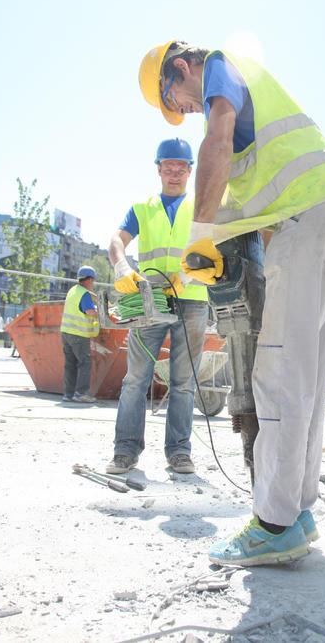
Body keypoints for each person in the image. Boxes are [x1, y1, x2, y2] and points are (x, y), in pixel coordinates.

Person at [139, 40, 325, 566]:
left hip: (309, 224)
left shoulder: (220, 64)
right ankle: (297, 511)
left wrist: (198, 234)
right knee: (303, 378)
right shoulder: (255, 102)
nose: (186, 112)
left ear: (181, 66)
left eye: (177, 99)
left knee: (279, 374)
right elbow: (256, 194)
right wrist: (220, 247)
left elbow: (215, 143)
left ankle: (273, 523)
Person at [106, 138, 210, 476]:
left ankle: (179, 453)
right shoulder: (142, 208)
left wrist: (186, 273)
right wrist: (122, 267)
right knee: (135, 378)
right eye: (169, 167)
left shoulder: (202, 207)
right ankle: (125, 452)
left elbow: (214, 249)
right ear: (159, 169)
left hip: (192, 300)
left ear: (190, 170)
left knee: (183, 382)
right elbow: (116, 241)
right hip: (151, 300)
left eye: (182, 168)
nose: (175, 173)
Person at [60, 265, 99, 403]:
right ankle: (81, 393)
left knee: (70, 364)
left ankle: (68, 394)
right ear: (88, 280)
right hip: (78, 333)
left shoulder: (72, 290)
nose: (93, 283)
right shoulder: (84, 293)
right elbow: (89, 311)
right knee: (84, 362)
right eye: (93, 281)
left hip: (65, 333)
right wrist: (101, 313)